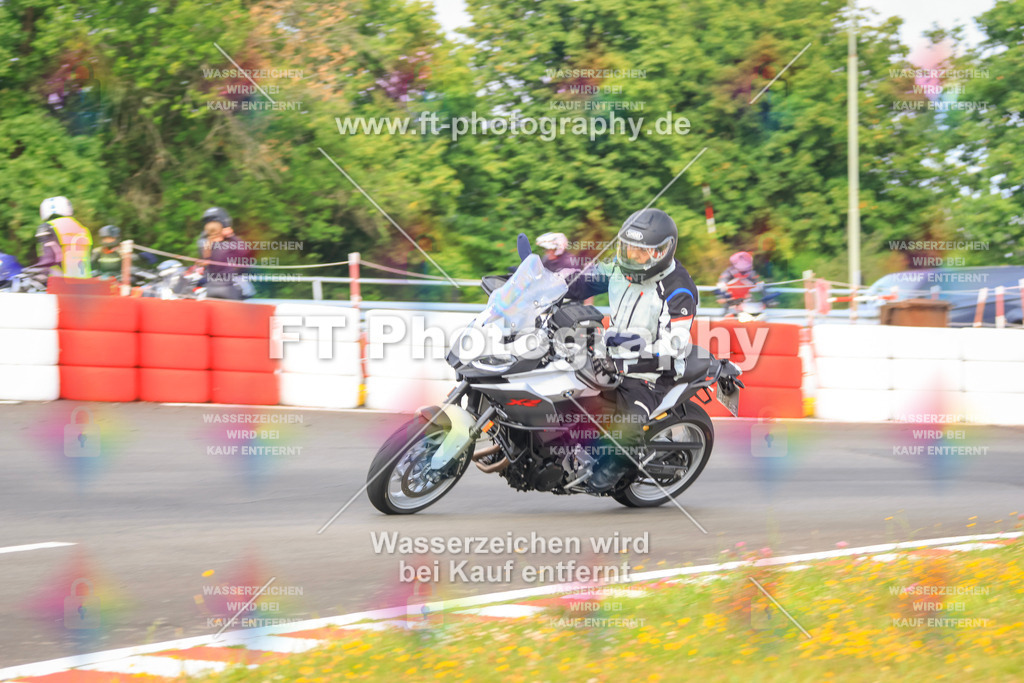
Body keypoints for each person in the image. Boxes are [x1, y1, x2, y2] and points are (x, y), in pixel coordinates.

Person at [566, 208, 698, 492]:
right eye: (628, 248)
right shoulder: (620, 267)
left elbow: (672, 348)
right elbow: (581, 281)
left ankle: (623, 462)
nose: (631, 256)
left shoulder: (678, 290)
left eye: (640, 252)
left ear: (662, 252)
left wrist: (623, 365)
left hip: (652, 372)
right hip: (611, 353)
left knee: (628, 422)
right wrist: (545, 286)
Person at [198, 206, 251, 299]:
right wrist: (231, 235)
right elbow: (245, 253)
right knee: (248, 290)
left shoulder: (205, 246)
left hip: (210, 289)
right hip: (228, 290)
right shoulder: (228, 246)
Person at [37, 196, 93, 278]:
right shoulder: (82, 228)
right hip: (84, 278)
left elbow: (48, 259)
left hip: (60, 280)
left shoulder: (47, 227)